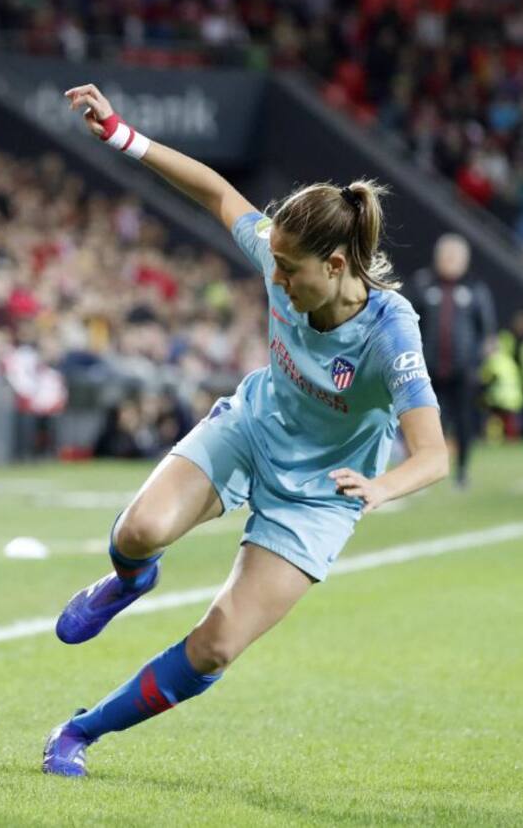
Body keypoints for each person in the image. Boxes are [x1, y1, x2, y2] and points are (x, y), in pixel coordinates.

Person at [42, 84, 449, 778]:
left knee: (217, 646)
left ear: (336, 266)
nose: (275, 280)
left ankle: (79, 732)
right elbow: (215, 191)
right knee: (138, 532)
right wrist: (121, 135)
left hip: (320, 495)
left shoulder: (391, 334)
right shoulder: (280, 254)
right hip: (253, 429)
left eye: (289, 271)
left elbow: (433, 453)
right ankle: (129, 581)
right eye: (275, 263)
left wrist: (380, 489)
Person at [407, 234, 496, 487]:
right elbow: (407, 324)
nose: (449, 260)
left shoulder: (475, 289)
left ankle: (462, 471)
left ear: (465, 260)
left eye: (455, 256)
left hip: (463, 371)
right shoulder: (423, 284)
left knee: (464, 422)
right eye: (445, 255)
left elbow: (487, 332)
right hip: (428, 369)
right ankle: (424, 472)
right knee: (429, 423)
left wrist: (479, 363)